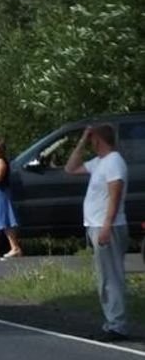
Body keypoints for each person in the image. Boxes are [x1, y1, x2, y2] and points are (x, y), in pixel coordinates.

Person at [65, 124, 130, 342]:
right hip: (97, 226)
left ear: (98, 140)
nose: (91, 143)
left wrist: (106, 226)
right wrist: (82, 140)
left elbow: (115, 196)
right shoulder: (100, 162)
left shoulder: (114, 162)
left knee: (111, 277)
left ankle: (117, 325)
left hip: (108, 227)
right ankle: (112, 321)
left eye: (92, 139)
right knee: (105, 277)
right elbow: (71, 168)